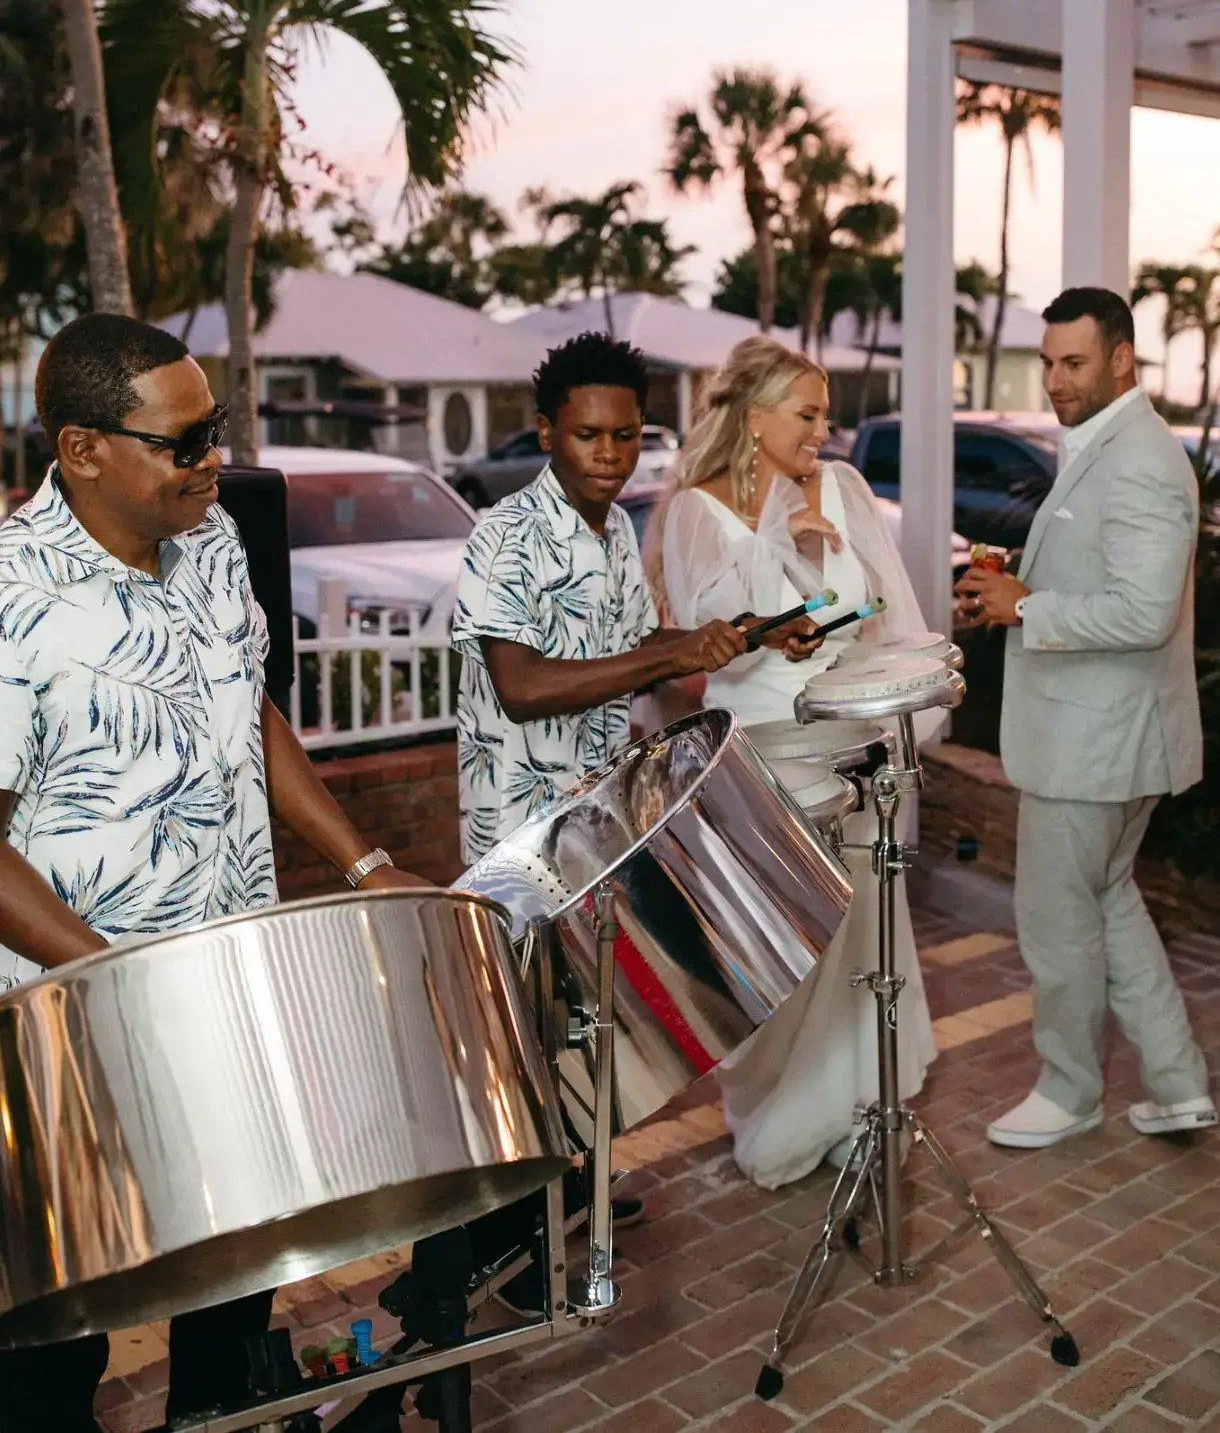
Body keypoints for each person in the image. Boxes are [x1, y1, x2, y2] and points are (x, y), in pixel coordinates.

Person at [0, 314, 425, 1433]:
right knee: (57, 1343)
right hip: (78, 1029)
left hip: (228, 990)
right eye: (183, 442)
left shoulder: (215, 538)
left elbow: (251, 711)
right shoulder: (13, 598)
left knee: (234, 1288)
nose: (213, 461)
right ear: (82, 449)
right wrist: (127, 985)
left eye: (216, 430)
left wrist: (364, 861)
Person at [448, 331, 746, 1311]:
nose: (610, 454)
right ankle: (508, 1250)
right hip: (518, 832)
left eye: (626, 436)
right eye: (588, 435)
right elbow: (524, 685)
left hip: (593, 819)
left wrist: (711, 640)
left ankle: (575, 1193)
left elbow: (628, 643)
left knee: (582, 1015)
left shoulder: (615, 530)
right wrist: (666, 660)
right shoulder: (504, 537)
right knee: (523, 1037)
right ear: (545, 431)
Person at [653, 335, 938, 1188]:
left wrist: (892, 705)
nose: (823, 430)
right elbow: (712, 649)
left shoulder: (844, 488)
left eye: (825, 415)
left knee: (863, 931)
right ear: (754, 416)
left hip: (852, 741)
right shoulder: (698, 511)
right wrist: (783, 545)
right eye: (807, 414)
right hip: (761, 754)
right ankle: (781, 1108)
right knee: (788, 947)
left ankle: (859, 1108)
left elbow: (886, 614)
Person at [957, 287, 1215, 1151]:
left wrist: (1026, 607)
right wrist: (1016, 591)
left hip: (1095, 746)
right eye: (1048, 362)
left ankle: (1067, 1091)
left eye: (1074, 362)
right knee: (1111, 904)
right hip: (1104, 739)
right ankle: (1178, 1084)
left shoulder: (1139, 457)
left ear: (1121, 359)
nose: (1055, 379)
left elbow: (1144, 612)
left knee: (1059, 924)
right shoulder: (1112, 443)